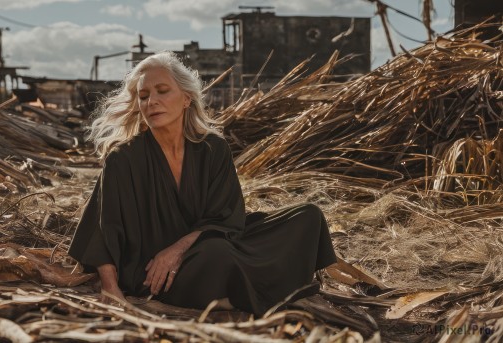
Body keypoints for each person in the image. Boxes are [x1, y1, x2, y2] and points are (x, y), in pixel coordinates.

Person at [68, 51, 336, 317]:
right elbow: (103, 229)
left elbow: (227, 218)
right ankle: (249, 291)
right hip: (155, 270)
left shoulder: (213, 148)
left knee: (307, 216)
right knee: (218, 254)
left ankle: (231, 290)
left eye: (162, 91)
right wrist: (110, 288)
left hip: (209, 242)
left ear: (186, 99)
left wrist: (178, 249)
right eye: (144, 95)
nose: (152, 102)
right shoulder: (123, 158)